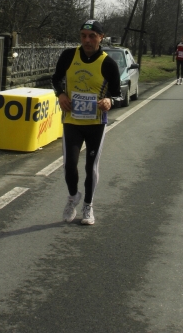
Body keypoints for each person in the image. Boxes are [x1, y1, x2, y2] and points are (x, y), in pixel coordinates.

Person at [52, 19, 121, 225]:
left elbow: (117, 94)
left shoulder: (108, 63)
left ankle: (88, 206)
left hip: (95, 123)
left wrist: (109, 100)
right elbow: (56, 79)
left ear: (101, 37)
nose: (87, 40)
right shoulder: (68, 55)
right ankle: (73, 196)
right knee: (69, 165)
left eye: (92, 36)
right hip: (72, 120)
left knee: (91, 167)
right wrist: (61, 94)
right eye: (83, 35)